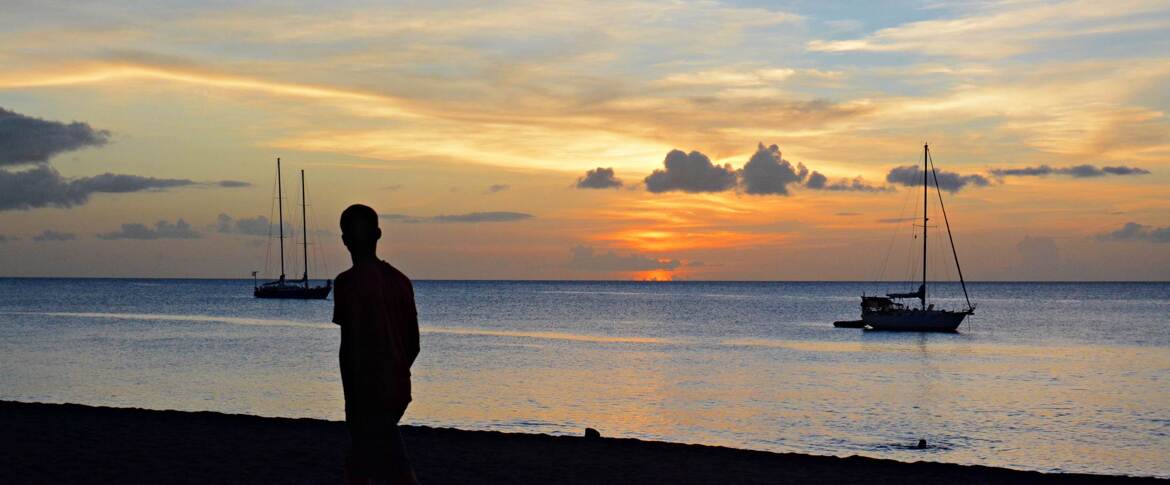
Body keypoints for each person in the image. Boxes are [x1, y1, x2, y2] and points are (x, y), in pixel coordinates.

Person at [332, 204, 421, 484]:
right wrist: (396, 372)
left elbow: (349, 348)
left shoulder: (346, 283)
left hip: (367, 394)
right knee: (368, 464)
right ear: (378, 234)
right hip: (396, 390)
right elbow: (414, 344)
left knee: (387, 468)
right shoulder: (401, 282)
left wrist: (352, 401)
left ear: (345, 240)